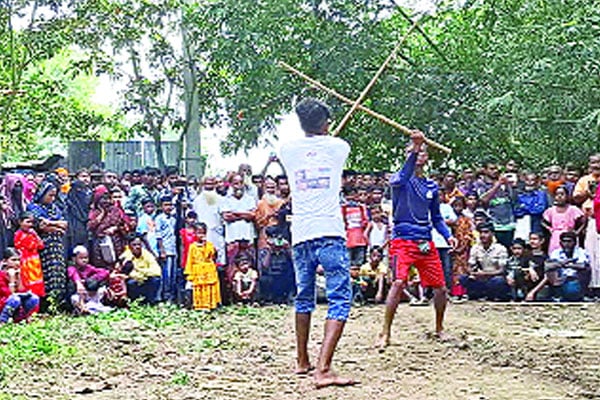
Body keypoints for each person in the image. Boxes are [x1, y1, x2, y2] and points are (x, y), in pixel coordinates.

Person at [279, 98, 356, 388]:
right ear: (326, 123)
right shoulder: (339, 147)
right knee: (339, 298)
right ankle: (323, 370)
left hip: (301, 234)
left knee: (304, 297)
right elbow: (329, 141)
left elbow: (314, 140)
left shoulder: (287, 150)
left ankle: (302, 361)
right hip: (330, 232)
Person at [378, 130, 457, 350]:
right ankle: (385, 331)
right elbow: (402, 176)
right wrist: (414, 147)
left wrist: (448, 236)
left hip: (425, 241)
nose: (420, 153)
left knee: (440, 288)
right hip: (403, 241)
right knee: (398, 282)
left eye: (423, 151)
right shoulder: (398, 180)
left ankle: (439, 328)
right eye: (415, 151)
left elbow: (437, 218)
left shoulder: (431, 186)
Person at [27, 181, 68, 310]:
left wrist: (50, 224)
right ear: (42, 193)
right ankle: (44, 305)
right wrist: (54, 225)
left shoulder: (55, 208)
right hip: (43, 248)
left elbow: (64, 225)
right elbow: (40, 225)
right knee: (45, 275)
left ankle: (57, 303)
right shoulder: (33, 207)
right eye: (50, 195)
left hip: (57, 246)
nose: (52, 198)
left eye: (54, 195)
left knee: (58, 273)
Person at [460, 222, 510, 301]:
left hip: (493, 277)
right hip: (480, 278)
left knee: (498, 281)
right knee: (463, 278)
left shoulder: (500, 249)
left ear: (492, 234)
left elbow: (502, 270)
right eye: (481, 232)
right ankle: (478, 295)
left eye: (486, 232)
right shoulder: (475, 248)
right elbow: (470, 266)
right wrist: (472, 273)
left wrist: (485, 274)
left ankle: (493, 296)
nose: (483, 235)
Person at [184, 222, 220, 311]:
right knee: (199, 287)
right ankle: (200, 305)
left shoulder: (209, 245)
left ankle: (211, 304)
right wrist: (189, 273)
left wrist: (205, 245)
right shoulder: (192, 246)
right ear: (195, 233)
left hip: (208, 269)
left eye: (203, 233)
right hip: (197, 270)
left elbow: (211, 255)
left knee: (209, 286)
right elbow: (190, 260)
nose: (201, 235)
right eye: (199, 233)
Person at [67, 246, 111, 314]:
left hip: (90, 294)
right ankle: (83, 308)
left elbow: (105, 272)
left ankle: (92, 307)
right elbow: (73, 274)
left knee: (101, 290)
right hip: (79, 295)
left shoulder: (88, 268)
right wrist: (79, 283)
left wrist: (91, 279)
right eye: (81, 258)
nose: (84, 260)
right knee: (74, 298)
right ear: (74, 259)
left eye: (86, 258)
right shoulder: (72, 268)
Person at [0, 248, 40, 324]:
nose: (17, 263)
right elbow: (9, 295)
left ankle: (24, 318)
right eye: (13, 260)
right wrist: (12, 280)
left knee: (34, 298)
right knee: (15, 299)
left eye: (18, 260)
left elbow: (23, 291)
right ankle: (2, 321)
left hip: (16, 303)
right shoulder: (1, 275)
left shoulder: (19, 272)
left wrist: (18, 278)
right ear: (5, 261)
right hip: (4, 304)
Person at [119, 235, 161, 305]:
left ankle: (151, 303)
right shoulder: (125, 256)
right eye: (134, 245)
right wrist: (143, 274)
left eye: (139, 244)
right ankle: (134, 303)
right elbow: (128, 274)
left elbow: (157, 272)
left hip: (145, 279)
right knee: (131, 283)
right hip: (134, 282)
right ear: (129, 246)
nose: (137, 247)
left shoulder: (147, 254)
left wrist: (138, 270)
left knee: (156, 279)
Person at [542, 186, 584, 254]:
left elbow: (583, 221)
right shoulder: (551, 210)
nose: (559, 196)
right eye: (557, 194)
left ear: (567, 196)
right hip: (556, 237)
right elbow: (543, 222)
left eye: (562, 194)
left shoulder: (573, 209)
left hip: (569, 236)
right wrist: (550, 229)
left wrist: (577, 232)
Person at [13, 212, 45, 298]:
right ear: (20, 222)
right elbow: (21, 247)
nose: (30, 225)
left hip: (35, 264)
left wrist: (35, 234)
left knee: (37, 285)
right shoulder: (18, 235)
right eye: (27, 222)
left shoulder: (32, 234)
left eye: (32, 222)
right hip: (25, 263)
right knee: (26, 286)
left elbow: (41, 245)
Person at [155, 196, 179, 303]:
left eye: (170, 205)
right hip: (166, 249)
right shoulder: (159, 219)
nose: (169, 207)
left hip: (173, 249)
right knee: (167, 275)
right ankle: (165, 296)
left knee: (173, 274)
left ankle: (172, 296)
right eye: (166, 205)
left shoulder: (174, 218)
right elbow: (158, 236)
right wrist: (162, 250)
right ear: (161, 206)